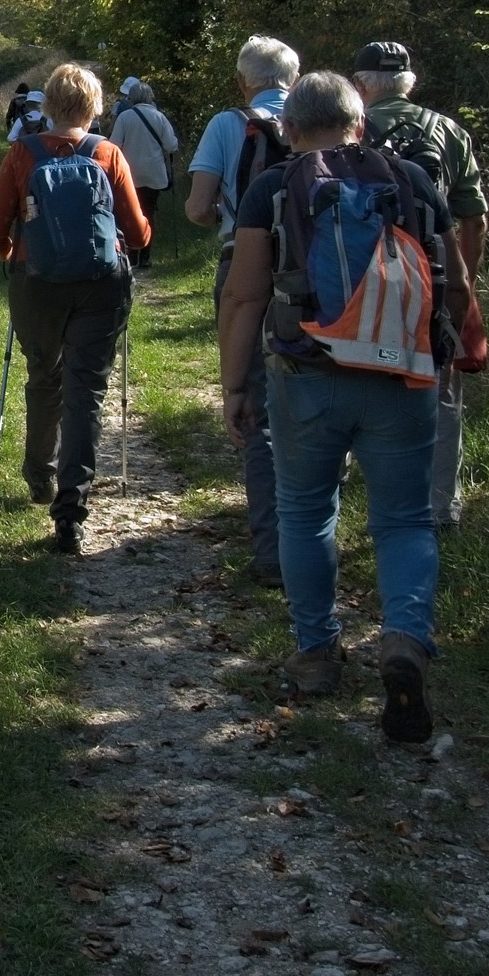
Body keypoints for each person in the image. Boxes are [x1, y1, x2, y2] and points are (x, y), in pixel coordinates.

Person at [215, 71, 463, 745]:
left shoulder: (274, 189)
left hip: (308, 373)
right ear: (360, 125)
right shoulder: (413, 181)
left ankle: (318, 652)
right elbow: (456, 280)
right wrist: (455, 350)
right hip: (404, 376)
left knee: (304, 509)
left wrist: (234, 385)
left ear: (289, 130)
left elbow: (244, 297)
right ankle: (405, 637)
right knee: (406, 516)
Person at [0, 63, 153, 555]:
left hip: (37, 285)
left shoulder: (22, 154)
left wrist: (19, 258)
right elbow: (139, 235)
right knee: (87, 392)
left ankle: (40, 476)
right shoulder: (108, 153)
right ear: (95, 107)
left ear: (48, 106)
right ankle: (71, 514)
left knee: (44, 376)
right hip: (102, 287)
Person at [350, 41, 489, 530]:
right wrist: (463, 282)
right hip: (438, 278)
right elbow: (474, 219)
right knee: (442, 391)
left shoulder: (353, 129)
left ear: (362, 85)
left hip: (367, 278)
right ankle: (440, 507)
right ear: (410, 82)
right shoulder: (450, 131)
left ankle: (361, 494)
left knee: (358, 378)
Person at [180, 36, 298, 585]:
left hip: (241, 263)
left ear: (241, 81)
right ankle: (318, 537)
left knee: (253, 404)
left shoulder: (228, 124)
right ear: (292, 81)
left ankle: (274, 554)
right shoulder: (320, 119)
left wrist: (228, 214)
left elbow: (200, 208)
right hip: (316, 275)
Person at [107, 77, 179, 234]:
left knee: (132, 211)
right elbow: (171, 146)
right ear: (150, 97)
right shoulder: (159, 117)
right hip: (154, 174)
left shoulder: (124, 117)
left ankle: (133, 250)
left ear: (131, 98)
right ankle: (146, 252)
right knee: (149, 211)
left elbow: (113, 145)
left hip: (130, 173)